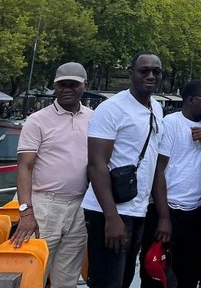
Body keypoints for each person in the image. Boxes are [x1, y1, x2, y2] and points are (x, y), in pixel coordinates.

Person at [82, 52, 167, 288]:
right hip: (108, 211)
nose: (150, 76)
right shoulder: (112, 108)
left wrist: (162, 216)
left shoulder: (157, 108)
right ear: (131, 74)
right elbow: (97, 164)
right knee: (107, 280)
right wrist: (111, 217)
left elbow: (155, 165)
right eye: (144, 71)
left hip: (138, 209)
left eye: (156, 71)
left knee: (125, 278)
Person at [12, 62, 91, 287]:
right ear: (54, 87)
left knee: (67, 279)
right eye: (61, 84)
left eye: (73, 84)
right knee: (34, 273)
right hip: (45, 205)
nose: (67, 89)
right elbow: (24, 167)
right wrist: (26, 212)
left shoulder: (94, 118)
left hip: (79, 205)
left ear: (85, 85)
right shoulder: (37, 120)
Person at [145, 80, 201, 288]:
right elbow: (159, 169)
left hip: (197, 211)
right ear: (191, 100)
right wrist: (164, 217)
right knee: (157, 272)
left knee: (188, 272)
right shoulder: (171, 123)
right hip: (167, 209)